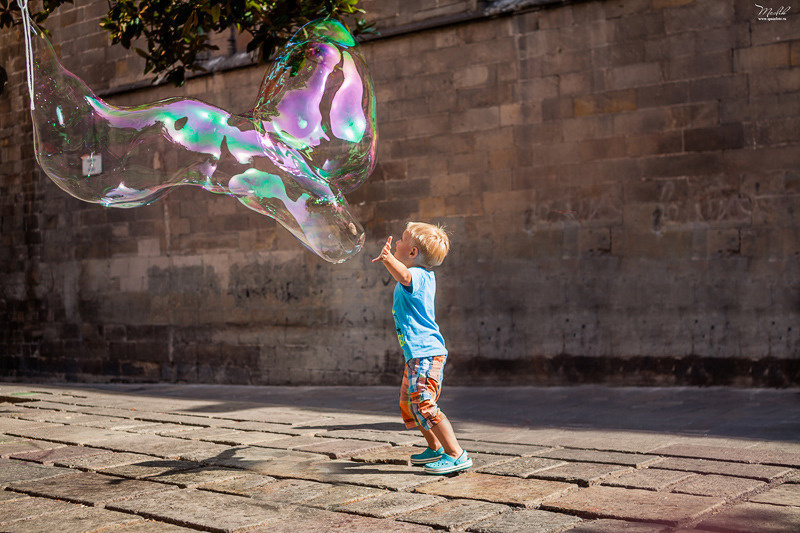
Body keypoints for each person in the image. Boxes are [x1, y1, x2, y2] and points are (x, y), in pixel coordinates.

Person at [372, 221, 472, 475]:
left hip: (425, 353)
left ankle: (456, 453)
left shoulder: (416, 275)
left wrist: (387, 259)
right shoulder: (424, 276)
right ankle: (435, 447)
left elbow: (404, 275)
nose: (396, 243)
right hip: (417, 354)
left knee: (424, 404)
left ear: (413, 252)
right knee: (410, 403)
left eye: (402, 239)